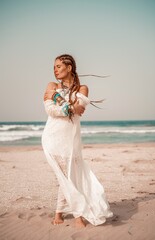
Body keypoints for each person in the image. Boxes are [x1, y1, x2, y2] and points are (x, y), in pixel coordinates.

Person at [42, 54, 113, 228]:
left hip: (71, 138)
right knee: (65, 175)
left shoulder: (83, 89)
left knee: (68, 175)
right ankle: (77, 214)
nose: (55, 70)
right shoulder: (51, 86)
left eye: (59, 66)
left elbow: (79, 109)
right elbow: (51, 110)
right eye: (54, 67)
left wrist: (61, 101)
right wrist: (69, 106)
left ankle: (59, 212)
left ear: (69, 68)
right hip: (52, 137)